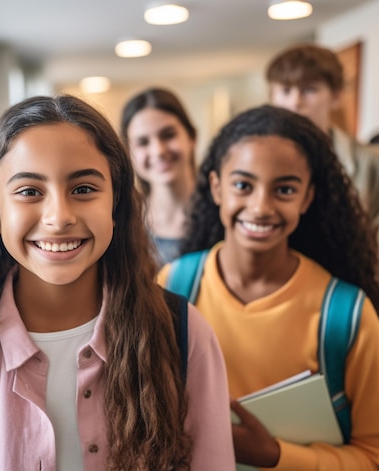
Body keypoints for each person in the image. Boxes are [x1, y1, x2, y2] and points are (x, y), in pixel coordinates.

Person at [0, 95, 234, 470]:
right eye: (29, 191)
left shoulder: (182, 332)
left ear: (115, 204)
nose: (59, 217)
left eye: (83, 189)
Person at [158, 105, 379, 469]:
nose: (260, 207)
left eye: (285, 189)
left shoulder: (348, 315)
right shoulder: (172, 286)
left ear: (307, 198)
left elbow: (371, 456)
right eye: (243, 185)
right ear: (216, 187)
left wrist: (274, 455)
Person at [266, 43, 379, 240]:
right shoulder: (254, 160)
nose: (295, 102)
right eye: (285, 90)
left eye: (309, 90)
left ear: (335, 96)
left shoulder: (369, 162)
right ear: (272, 97)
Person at [120, 87, 197, 265]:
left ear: (192, 137)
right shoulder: (123, 224)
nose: (158, 151)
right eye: (142, 142)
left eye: (168, 135)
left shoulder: (224, 213)